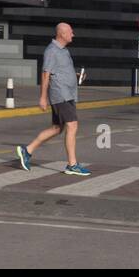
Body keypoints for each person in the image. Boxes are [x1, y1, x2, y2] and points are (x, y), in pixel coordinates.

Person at [16, 22, 90, 177]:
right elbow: (45, 74)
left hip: (69, 94)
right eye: (70, 32)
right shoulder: (51, 51)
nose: (73, 34)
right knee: (72, 125)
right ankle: (72, 164)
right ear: (62, 34)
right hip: (60, 94)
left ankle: (27, 150)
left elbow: (61, 70)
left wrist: (76, 75)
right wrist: (42, 97)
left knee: (57, 128)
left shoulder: (64, 51)